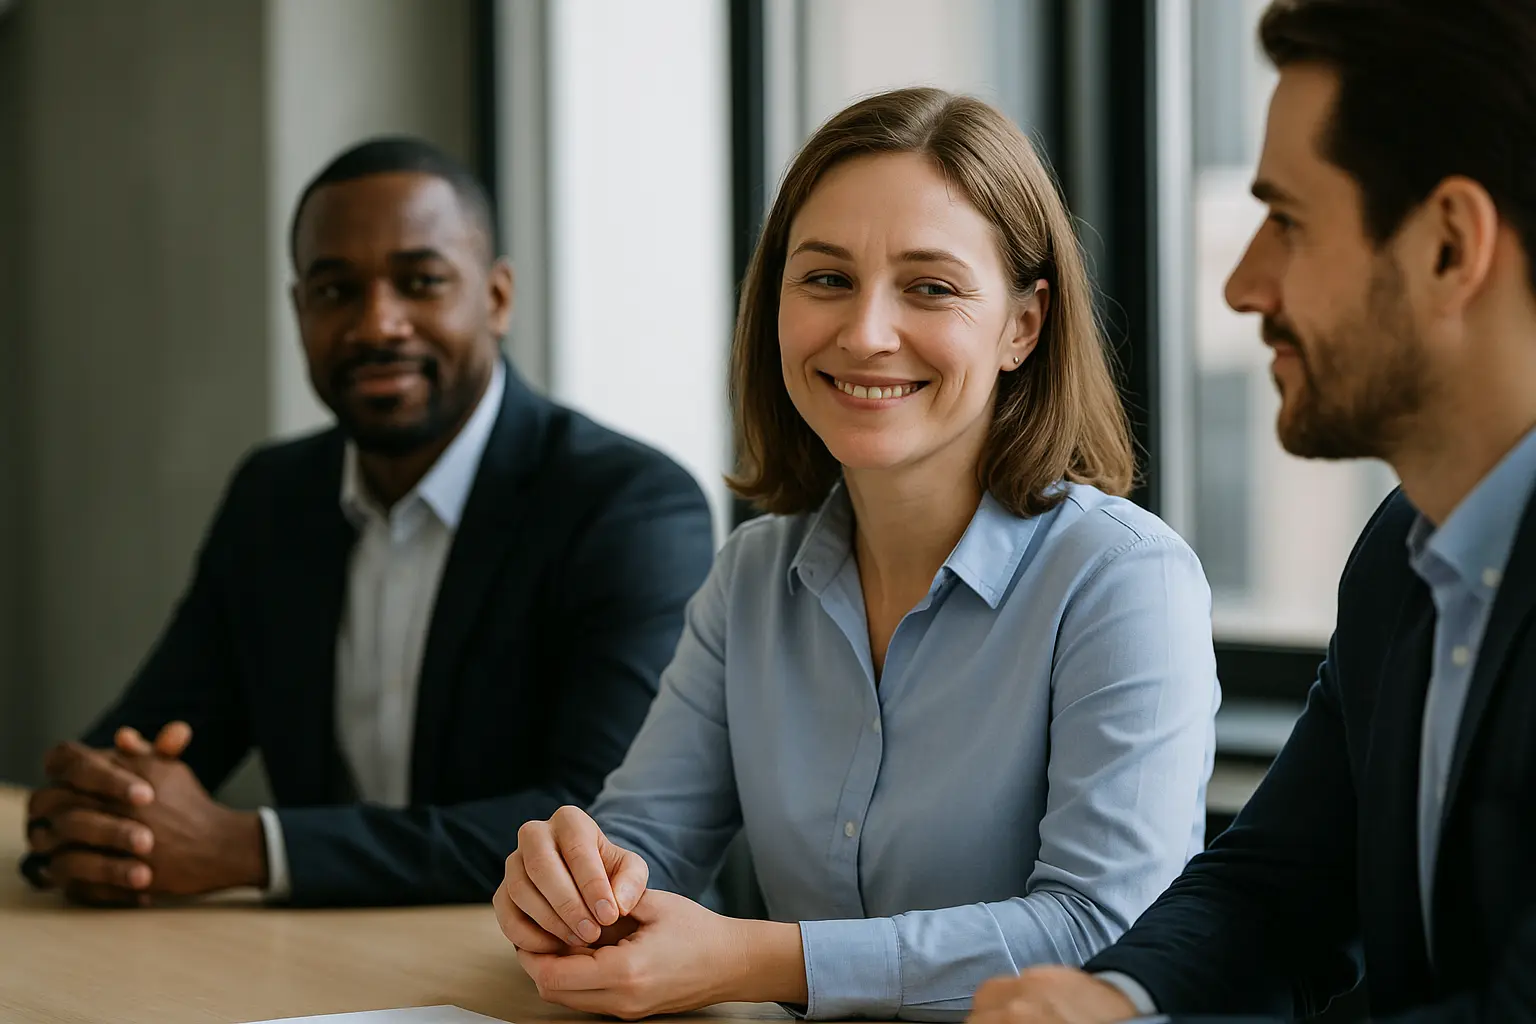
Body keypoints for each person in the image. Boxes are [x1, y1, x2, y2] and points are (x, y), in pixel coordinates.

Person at [490, 87, 1221, 1021]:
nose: (866, 332)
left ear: (1022, 327)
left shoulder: (1124, 580)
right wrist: (570, 889)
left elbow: (1102, 930)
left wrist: (758, 960)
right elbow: (643, 846)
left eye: (931, 287)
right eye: (827, 279)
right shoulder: (751, 578)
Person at [964, 2, 1536, 1022]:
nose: (1239, 284)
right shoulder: (1403, 557)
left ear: (1450, 247)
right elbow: (1270, 888)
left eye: (1288, 219)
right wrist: (1117, 1002)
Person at [19, 137, 715, 908]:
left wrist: (254, 849)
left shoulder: (627, 505)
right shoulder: (274, 499)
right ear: (299, 310)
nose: (378, 324)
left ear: (496, 298)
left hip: (546, 979)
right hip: (326, 972)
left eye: (420, 282)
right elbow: (141, 747)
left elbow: (601, 826)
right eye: (335, 290)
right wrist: (101, 812)